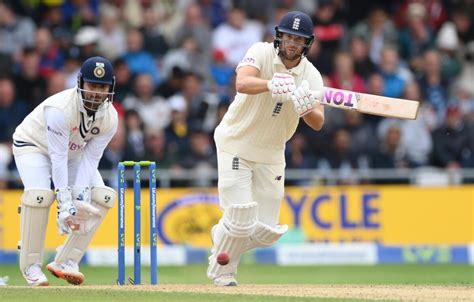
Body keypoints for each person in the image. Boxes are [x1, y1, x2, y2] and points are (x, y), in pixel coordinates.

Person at [207, 11, 325, 286]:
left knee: (268, 232)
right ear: (279, 36)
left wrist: (306, 106)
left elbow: (318, 122)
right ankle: (224, 274)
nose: (292, 43)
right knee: (241, 217)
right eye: (288, 37)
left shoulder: (311, 75)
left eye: (298, 39)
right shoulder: (260, 52)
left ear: (307, 43)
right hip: (236, 142)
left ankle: (222, 234)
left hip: (272, 153)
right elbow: (242, 82)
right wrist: (269, 84)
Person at [12, 56, 118, 286]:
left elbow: (91, 158)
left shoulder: (111, 117)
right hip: (34, 146)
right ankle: (31, 265)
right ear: (81, 83)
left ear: (110, 87)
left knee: (103, 196)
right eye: (92, 85)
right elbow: (57, 157)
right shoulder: (60, 109)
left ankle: (66, 260)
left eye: (102, 87)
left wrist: (78, 198)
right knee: (39, 196)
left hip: (74, 153)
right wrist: (65, 202)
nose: (97, 93)